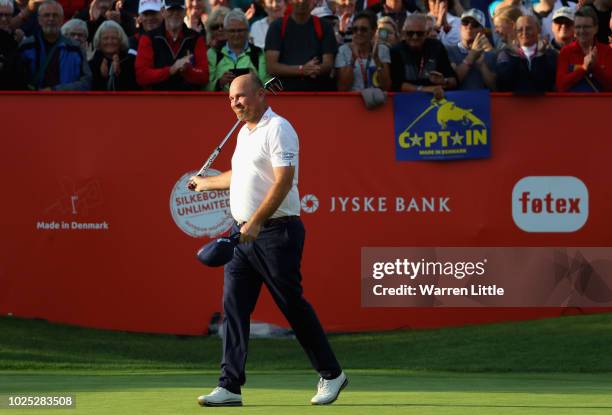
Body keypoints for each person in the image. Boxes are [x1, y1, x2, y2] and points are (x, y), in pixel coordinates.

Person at [189, 73, 347, 407]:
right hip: (241, 234)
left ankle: (332, 375)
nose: (235, 103)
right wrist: (207, 184)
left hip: (276, 232)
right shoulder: (245, 134)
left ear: (261, 95)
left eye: (241, 97)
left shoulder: (279, 128)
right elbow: (242, 176)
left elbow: (283, 181)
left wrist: (257, 222)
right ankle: (230, 385)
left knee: (291, 305)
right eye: (231, 99)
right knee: (233, 308)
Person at [265, 0, 338, 91]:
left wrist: (312, 69)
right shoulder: (277, 26)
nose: (302, 1)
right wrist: (302, 70)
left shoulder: (324, 26)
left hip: (318, 91)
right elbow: (271, 67)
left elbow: (328, 64)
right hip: (285, 93)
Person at [135, 0, 209, 90]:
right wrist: (171, 70)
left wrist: (187, 70)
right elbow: (141, 76)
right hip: (157, 100)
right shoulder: (148, 38)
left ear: (185, 12)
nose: (175, 13)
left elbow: (204, 76)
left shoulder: (196, 38)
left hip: (189, 100)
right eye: (171, 9)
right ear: (163, 12)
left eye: (179, 10)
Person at [19, 0, 92, 90]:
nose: (51, 19)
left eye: (55, 15)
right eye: (46, 15)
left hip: (67, 102)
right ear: (39, 20)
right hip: (33, 102)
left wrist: (57, 90)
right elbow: (16, 81)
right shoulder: (26, 47)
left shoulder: (75, 48)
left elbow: (86, 82)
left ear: (62, 20)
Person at [390, 13, 457, 98]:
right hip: (405, 101)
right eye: (410, 33)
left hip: (434, 101)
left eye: (419, 33)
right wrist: (425, 89)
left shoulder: (436, 47)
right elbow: (396, 85)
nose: (414, 37)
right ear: (404, 33)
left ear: (427, 33)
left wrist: (444, 81)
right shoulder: (396, 51)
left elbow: (454, 80)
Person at [207, 8, 268, 90]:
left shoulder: (258, 53)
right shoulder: (213, 53)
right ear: (225, 32)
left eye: (240, 30)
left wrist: (255, 81)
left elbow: (267, 85)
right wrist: (219, 83)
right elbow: (204, 88)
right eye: (232, 31)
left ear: (247, 31)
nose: (236, 34)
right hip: (220, 101)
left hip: (251, 101)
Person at [496, 14, 557, 92]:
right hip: (515, 103)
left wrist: (540, 55)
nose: (524, 33)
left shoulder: (550, 54)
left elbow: (546, 82)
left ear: (539, 29)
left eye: (528, 28)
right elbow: (504, 82)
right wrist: (515, 56)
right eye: (520, 30)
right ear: (515, 32)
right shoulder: (506, 54)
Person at [556, 6, 612, 91]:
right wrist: (583, 68)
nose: (582, 31)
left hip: (600, 103)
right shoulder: (566, 51)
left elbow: (610, 86)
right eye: (578, 27)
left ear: (596, 28)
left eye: (586, 27)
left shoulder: (607, 51)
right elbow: (560, 85)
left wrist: (595, 67)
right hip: (573, 103)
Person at [335, 11, 391, 90]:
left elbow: (386, 86)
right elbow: (342, 87)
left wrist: (377, 59)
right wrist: (353, 59)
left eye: (363, 29)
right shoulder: (343, 50)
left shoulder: (382, 49)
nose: (358, 32)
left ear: (373, 31)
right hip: (352, 99)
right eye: (355, 29)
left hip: (375, 99)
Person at [446, 8, 497, 90]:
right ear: (460, 27)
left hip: (481, 102)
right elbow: (452, 82)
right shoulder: (448, 51)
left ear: (482, 31)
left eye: (475, 24)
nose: (469, 27)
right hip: (456, 102)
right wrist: (472, 55)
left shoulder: (491, 55)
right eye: (465, 23)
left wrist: (482, 65)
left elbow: (495, 88)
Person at [89, 20, 139, 89]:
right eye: (105, 38)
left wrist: (119, 75)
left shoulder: (131, 61)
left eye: (114, 38)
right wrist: (103, 77)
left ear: (121, 40)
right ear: (99, 41)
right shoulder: (91, 63)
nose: (110, 42)